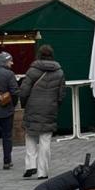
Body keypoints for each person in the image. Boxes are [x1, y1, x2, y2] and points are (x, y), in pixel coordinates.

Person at [20, 45, 66, 180]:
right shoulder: (59, 72)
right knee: (45, 140)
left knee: (30, 136)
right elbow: (61, 94)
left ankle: (30, 165)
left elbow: (23, 91)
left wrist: (24, 104)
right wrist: (56, 105)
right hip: (49, 108)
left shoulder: (32, 71)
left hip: (33, 107)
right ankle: (43, 171)